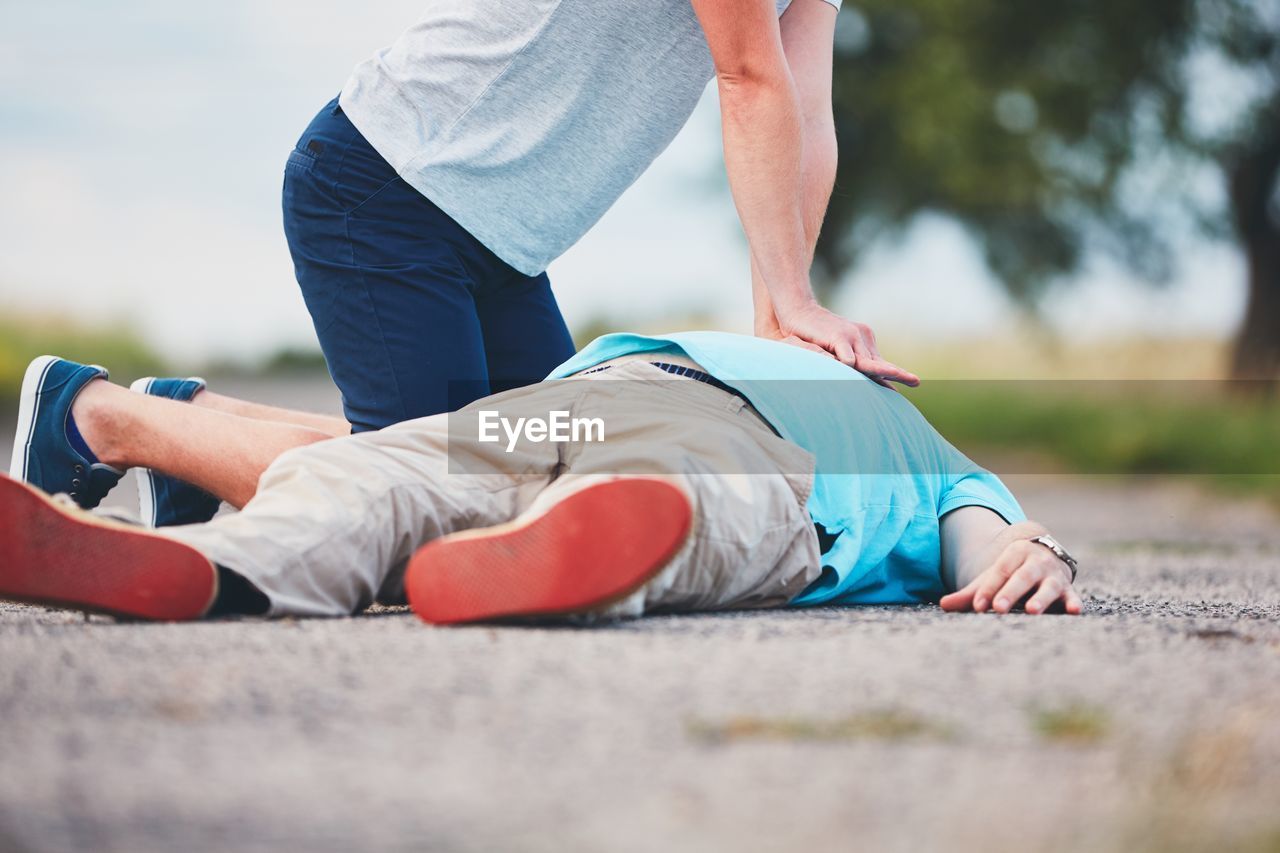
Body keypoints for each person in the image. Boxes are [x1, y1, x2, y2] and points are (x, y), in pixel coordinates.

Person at [1, 334, 1081, 624]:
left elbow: (992, 540)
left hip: (700, 431)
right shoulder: (742, 339)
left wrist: (1030, 554)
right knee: (387, 468)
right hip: (597, 396)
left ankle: (221, 563)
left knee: (382, 477)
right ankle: (196, 563)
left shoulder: (932, 454)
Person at [268, 0, 918, 466]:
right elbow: (747, 75)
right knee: (426, 500)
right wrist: (796, 302)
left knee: (554, 486)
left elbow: (804, 112)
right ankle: (170, 426)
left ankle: (193, 423)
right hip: (388, 183)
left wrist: (778, 321)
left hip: (505, 247)